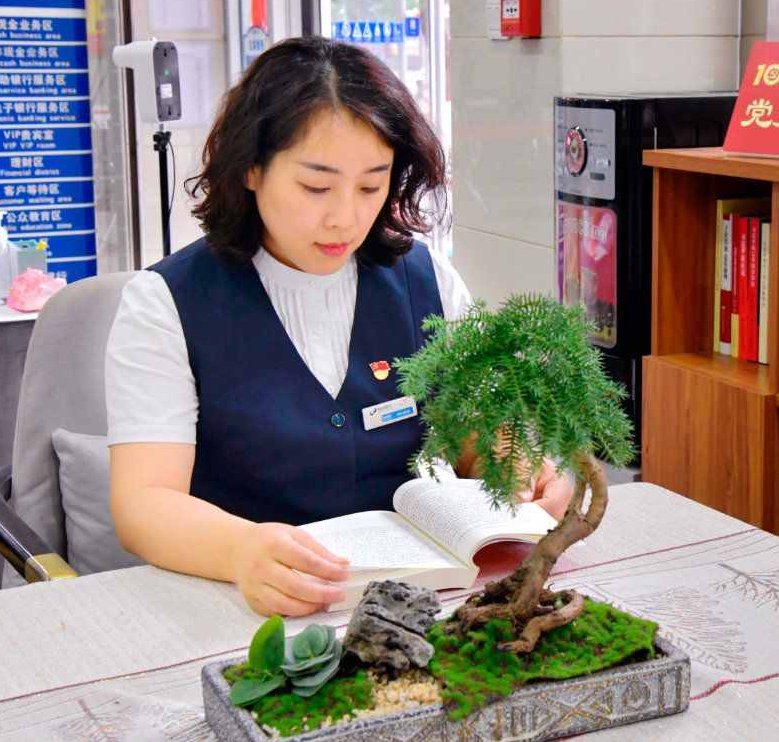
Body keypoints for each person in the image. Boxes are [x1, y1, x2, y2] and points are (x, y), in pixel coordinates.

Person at [106, 37, 573, 617]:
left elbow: (476, 439)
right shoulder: (166, 304)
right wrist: (238, 550)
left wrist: (521, 463)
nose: (344, 216)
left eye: (372, 185)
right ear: (250, 168)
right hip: (242, 605)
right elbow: (144, 501)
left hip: (413, 603)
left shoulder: (424, 281)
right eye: (316, 186)